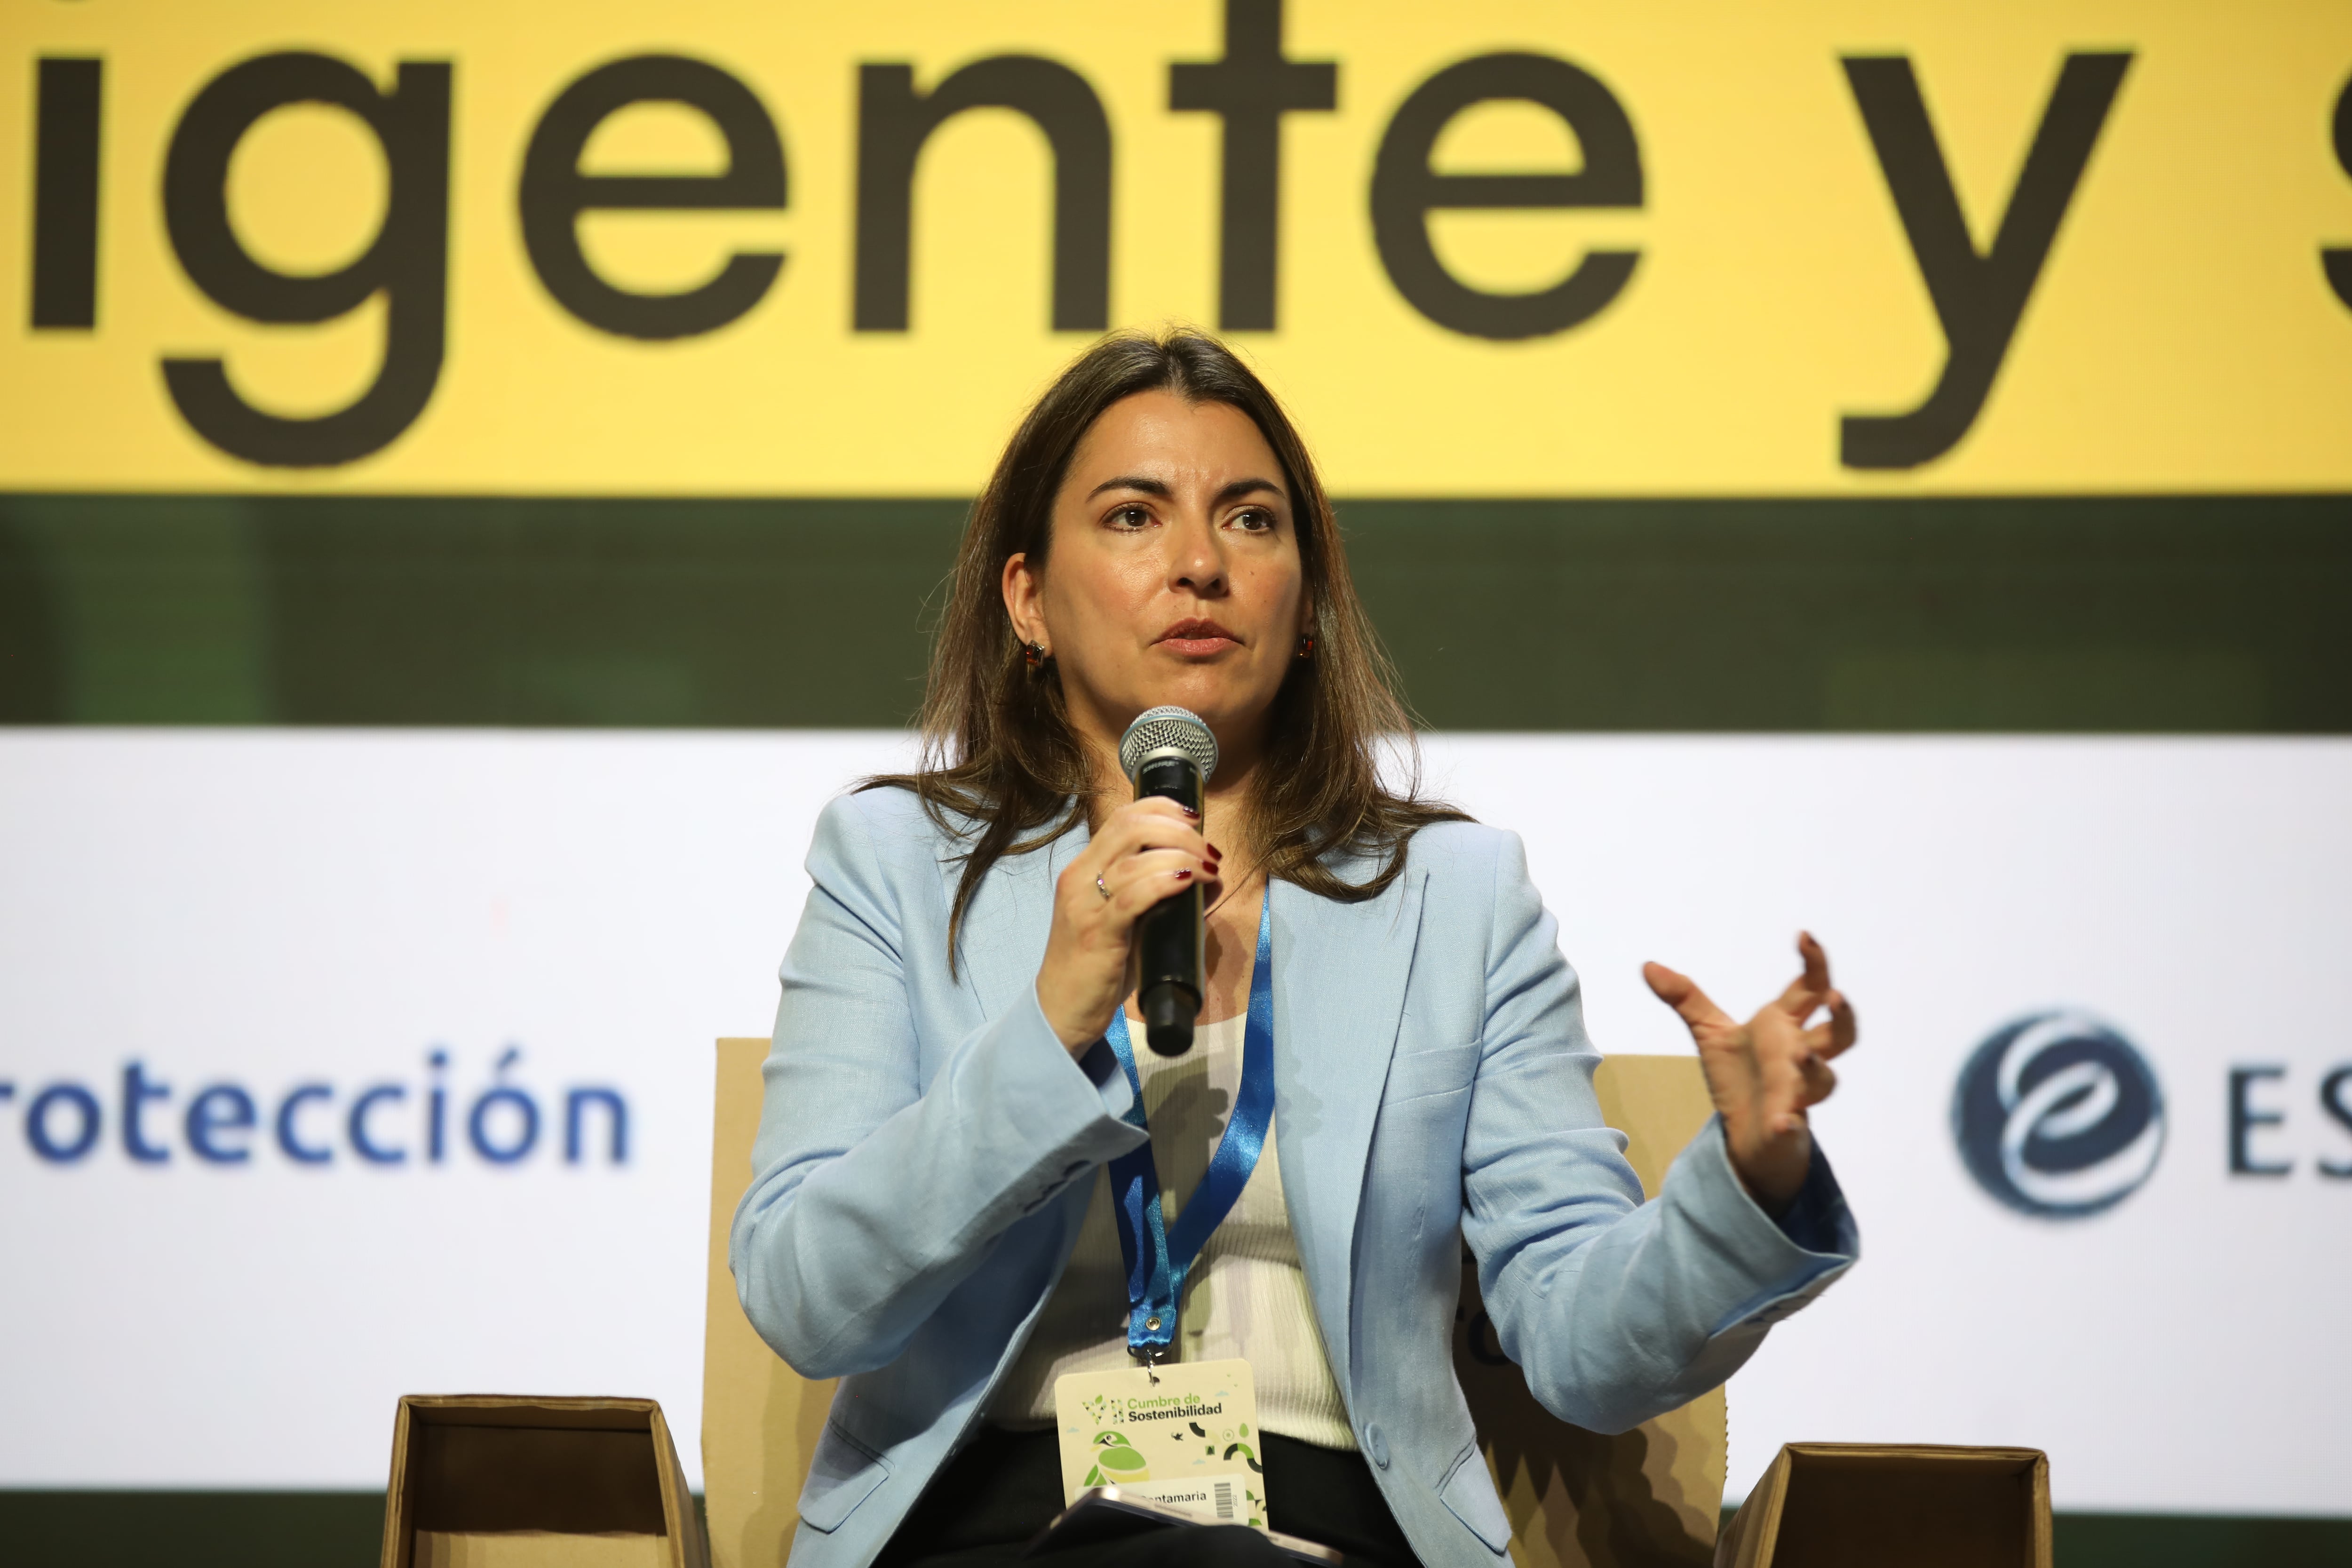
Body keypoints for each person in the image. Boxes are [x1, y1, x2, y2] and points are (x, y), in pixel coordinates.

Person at [731, 329, 1859, 1568]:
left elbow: (1587, 1350)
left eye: (1252, 521)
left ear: (1309, 605)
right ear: (1028, 600)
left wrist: (1748, 1182)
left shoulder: (1454, 898)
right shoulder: (897, 864)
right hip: (991, 1532)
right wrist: (1050, 1028)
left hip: (1328, 1539)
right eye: (1133, 517)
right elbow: (806, 1297)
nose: (1200, 564)